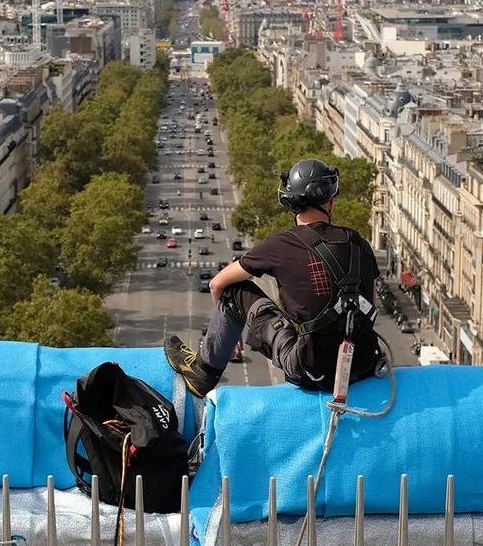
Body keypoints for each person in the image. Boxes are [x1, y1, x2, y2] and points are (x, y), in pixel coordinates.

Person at [164, 158, 385, 398]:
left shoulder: (281, 244)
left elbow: (217, 284)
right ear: (329, 203)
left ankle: (203, 373)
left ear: (290, 204)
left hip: (311, 372)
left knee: (235, 290)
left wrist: (231, 330)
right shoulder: (358, 243)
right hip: (363, 366)